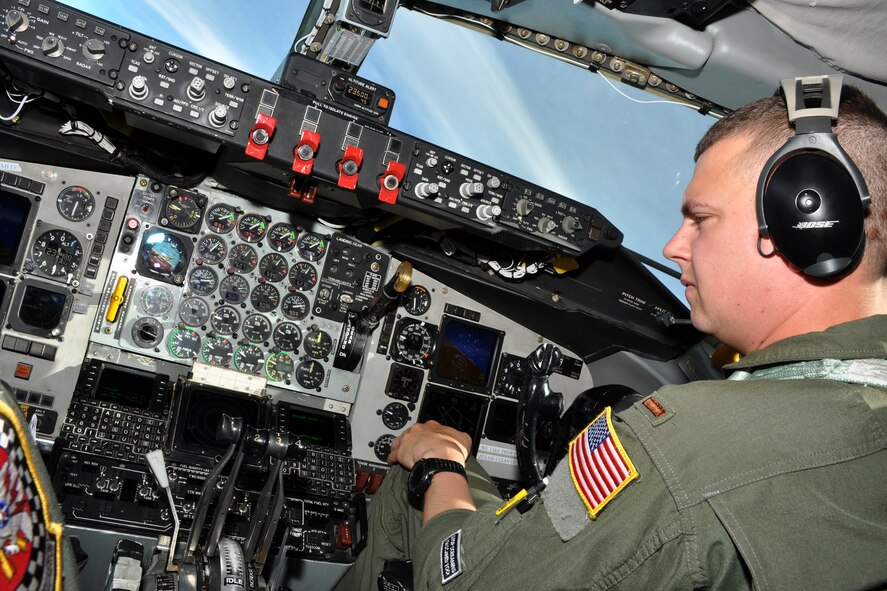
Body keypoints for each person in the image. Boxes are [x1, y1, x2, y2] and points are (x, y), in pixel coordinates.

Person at [335, 80, 887, 590]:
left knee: (418, 482)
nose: (674, 246)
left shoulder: (687, 445)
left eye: (700, 217)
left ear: (807, 222)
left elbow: (470, 582)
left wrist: (440, 461)